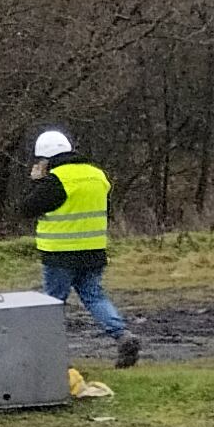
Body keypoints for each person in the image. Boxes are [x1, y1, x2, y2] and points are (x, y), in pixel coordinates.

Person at [23, 126, 140, 367]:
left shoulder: (56, 180)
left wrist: (38, 182)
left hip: (59, 254)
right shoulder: (97, 175)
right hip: (94, 251)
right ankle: (122, 335)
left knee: (54, 303)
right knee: (94, 296)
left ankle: (51, 357)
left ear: (46, 158)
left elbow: (27, 208)